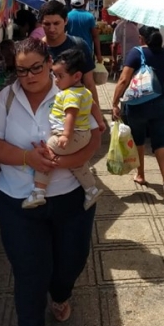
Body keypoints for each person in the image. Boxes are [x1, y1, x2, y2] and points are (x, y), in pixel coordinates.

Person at [0, 38, 102, 326]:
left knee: (70, 264)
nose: (30, 76)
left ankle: (60, 295)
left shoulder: (71, 92)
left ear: (49, 63)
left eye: (36, 67)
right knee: (30, 277)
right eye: (21, 71)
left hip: (70, 199)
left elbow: (96, 136)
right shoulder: (7, 98)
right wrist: (27, 158)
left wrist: (60, 162)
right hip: (19, 202)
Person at [23, 48, 102, 210]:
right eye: (54, 75)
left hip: (72, 136)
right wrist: (100, 122)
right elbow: (93, 106)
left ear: (77, 76)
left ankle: (39, 191)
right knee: (76, 164)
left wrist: (66, 135)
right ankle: (91, 189)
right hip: (82, 136)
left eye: (60, 76)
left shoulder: (70, 94)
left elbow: (70, 115)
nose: (56, 80)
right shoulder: (84, 92)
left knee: (45, 153)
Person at [112, 26, 164, 205]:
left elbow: (123, 80)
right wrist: (163, 96)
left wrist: (115, 102)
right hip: (162, 104)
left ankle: (140, 175)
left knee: (138, 140)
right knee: (160, 142)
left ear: (142, 38)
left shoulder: (136, 53)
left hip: (137, 105)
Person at [39, 0, 106, 131]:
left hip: (77, 118)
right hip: (45, 116)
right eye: (47, 24)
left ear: (65, 21)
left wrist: (98, 118)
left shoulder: (79, 45)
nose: (52, 28)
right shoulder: (37, 49)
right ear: (41, 23)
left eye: (56, 23)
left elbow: (89, 83)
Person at [66, 0, 103, 65]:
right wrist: (99, 55)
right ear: (84, 4)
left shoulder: (67, 16)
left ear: (71, 4)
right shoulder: (90, 16)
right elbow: (95, 36)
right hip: (86, 51)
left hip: (71, 52)